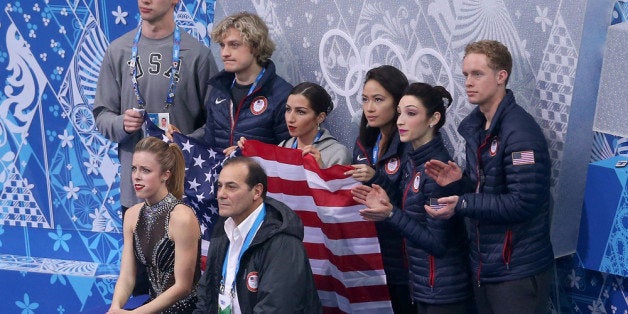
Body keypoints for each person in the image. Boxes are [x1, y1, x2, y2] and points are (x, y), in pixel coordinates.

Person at [93, 0, 215, 296]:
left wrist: (183, 142)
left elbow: (215, 123)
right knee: (140, 283)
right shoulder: (118, 50)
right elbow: (101, 115)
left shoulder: (197, 53)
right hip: (136, 194)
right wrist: (123, 123)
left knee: (180, 288)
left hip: (183, 192)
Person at [424, 40, 554, 314]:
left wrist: (462, 203)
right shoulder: (478, 128)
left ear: (501, 76)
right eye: (466, 75)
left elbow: (522, 203)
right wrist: (460, 184)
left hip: (516, 271)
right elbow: (490, 193)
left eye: (477, 74)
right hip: (488, 266)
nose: (468, 82)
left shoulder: (520, 133)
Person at [352, 83, 472, 313]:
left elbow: (436, 243)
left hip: (445, 292)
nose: (400, 121)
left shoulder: (436, 170)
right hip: (423, 286)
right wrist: (383, 188)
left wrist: (389, 213)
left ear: (433, 119)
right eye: (399, 113)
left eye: (411, 113)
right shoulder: (413, 161)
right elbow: (412, 211)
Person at [194, 156, 321, 313]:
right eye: (219, 186)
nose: (220, 194)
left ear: (257, 191)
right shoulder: (223, 228)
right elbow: (206, 296)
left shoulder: (283, 243)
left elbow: (275, 308)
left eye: (231, 187)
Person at [343, 65, 414, 313]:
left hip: (402, 262)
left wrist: (378, 178)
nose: (369, 107)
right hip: (369, 256)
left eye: (378, 99)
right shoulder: (364, 142)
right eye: (365, 100)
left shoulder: (409, 144)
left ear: (398, 103)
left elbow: (411, 203)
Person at [108, 137, 201, 313]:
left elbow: (183, 287)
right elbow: (127, 276)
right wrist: (115, 307)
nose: (137, 176)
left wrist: (136, 313)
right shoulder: (132, 215)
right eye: (134, 168)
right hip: (152, 306)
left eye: (146, 170)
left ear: (165, 175)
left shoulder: (182, 218)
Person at [179, 12, 291, 152]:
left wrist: (248, 155)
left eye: (234, 45)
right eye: (222, 45)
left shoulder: (282, 95)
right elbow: (210, 139)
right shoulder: (219, 89)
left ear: (256, 46)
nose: (225, 53)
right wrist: (180, 139)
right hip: (220, 173)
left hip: (257, 174)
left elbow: (288, 156)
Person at [230, 82, 351, 168]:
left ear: (320, 117)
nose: (290, 119)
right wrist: (245, 156)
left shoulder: (338, 154)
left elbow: (338, 199)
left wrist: (321, 170)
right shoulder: (283, 146)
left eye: (300, 112)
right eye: (288, 109)